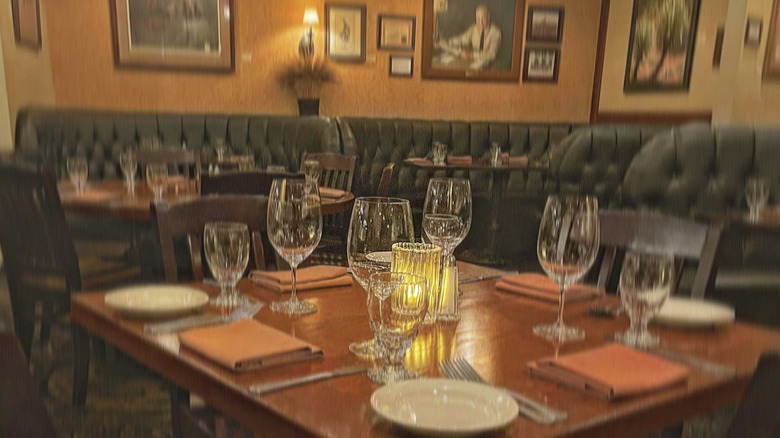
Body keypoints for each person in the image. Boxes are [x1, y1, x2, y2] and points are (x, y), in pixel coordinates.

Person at [437, 4, 502, 70]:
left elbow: (492, 54)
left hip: (490, 62)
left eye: (483, 18)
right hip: (474, 59)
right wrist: (448, 41)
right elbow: (461, 39)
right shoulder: (473, 29)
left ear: (488, 17)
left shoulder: (496, 32)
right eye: (478, 19)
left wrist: (471, 55)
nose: (480, 22)